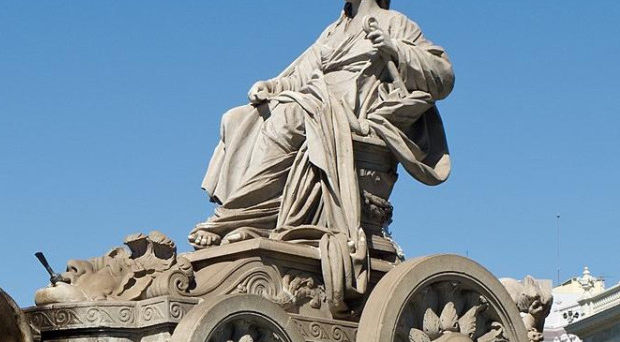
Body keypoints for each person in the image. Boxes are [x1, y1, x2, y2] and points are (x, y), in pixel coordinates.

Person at [190, 0, 453, 311]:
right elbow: (303, 74)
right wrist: (271, 85)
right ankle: (255, 223)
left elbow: (443, 76)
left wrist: (395, 48)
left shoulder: (395, 22)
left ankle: (229, 219)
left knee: (288, 118)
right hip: (314, 99)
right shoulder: (334, 30)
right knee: (237, 119)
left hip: (347, 112)